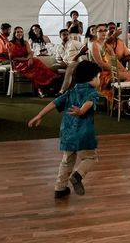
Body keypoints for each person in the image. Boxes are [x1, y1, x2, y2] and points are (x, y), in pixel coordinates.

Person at [28, 60, 101, 198]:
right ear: (91, 78)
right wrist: (81, 111)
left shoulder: (70, 92)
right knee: (90, 157)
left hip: (67, 133)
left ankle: (60, 188)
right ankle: (77, 176)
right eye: (98, 77)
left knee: (67, 160)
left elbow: (54, 103)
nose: (99, 80)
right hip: (83, 133)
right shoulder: (92, 92)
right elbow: (89, 102)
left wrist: (39, 115)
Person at [8, 26, 60, 98]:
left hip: (26, 61)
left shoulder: (25, 42)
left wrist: (30, 58)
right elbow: (12, 58)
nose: (19, 33)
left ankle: (42, 88)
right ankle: (43, 87)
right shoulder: (10, 43)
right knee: (36, 67)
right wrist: (26, 59)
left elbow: (31, 52)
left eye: (21, 32)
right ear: (14, 33)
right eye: (18, 32)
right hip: (17, 64)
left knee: (36, 63)